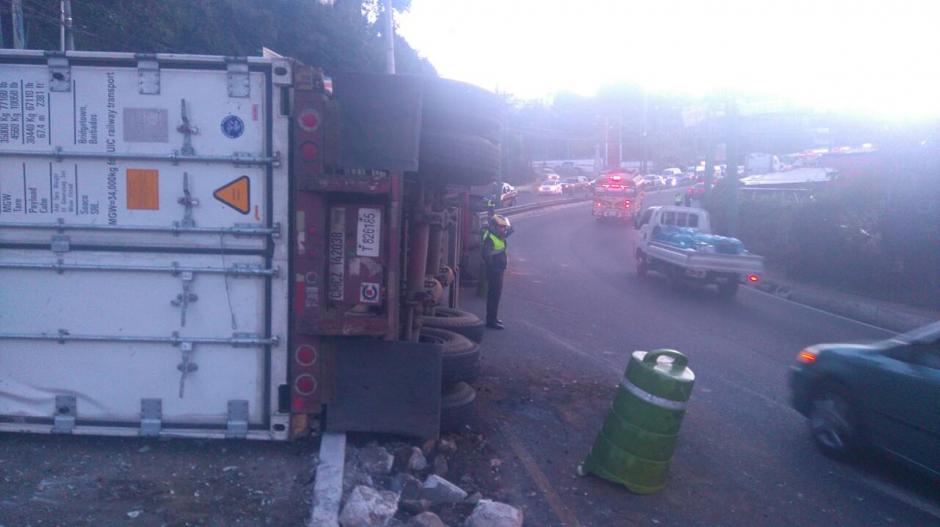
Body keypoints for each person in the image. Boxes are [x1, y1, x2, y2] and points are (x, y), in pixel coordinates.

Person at [481, 214, 511, 329]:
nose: (504, 229)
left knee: (496, 295)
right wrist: (494, 267)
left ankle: (493, 317)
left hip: (498, 270)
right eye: (501, 227)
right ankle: (491, 320)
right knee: (493, 295)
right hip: (495, 271)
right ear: (494, 227)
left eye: (504, 227)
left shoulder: (497, 236)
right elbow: (486, 255)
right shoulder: (490, 238)